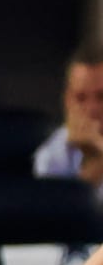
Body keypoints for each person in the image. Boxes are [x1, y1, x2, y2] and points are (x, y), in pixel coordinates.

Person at [34, 45, 103, 198]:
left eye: (101, 97)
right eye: (80, 98)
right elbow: (55, 216)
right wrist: (94, 167)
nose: (91, 109)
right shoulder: (51, 154)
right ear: (67, 102)